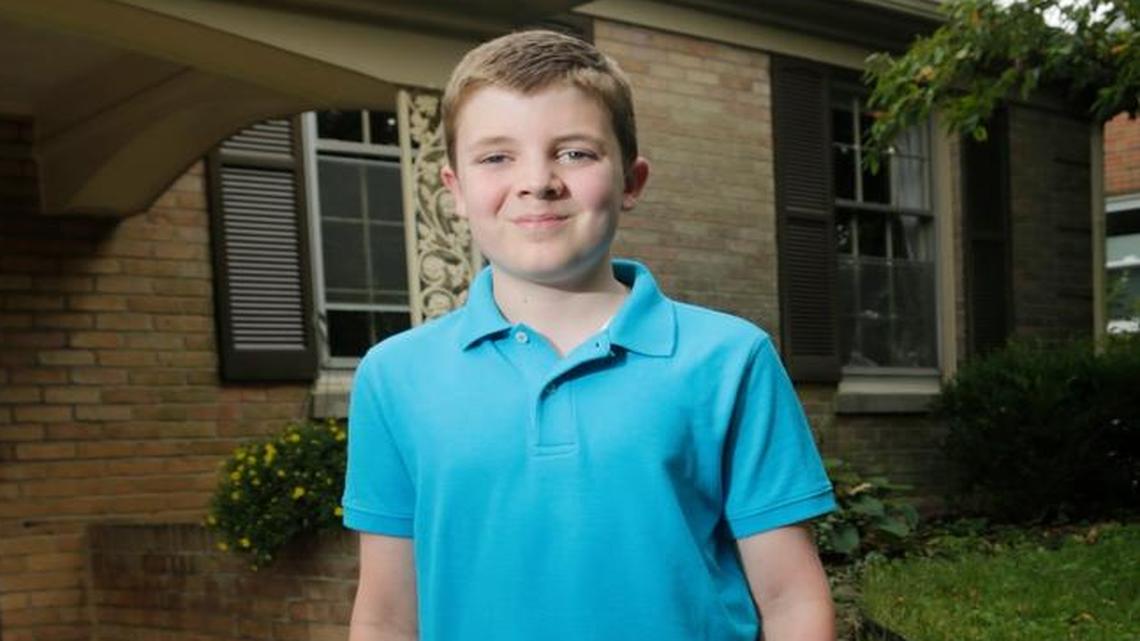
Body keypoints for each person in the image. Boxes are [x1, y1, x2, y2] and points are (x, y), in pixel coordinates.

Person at [343, 29, 836, 641]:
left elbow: (791, 601)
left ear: (631, 181)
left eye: (575, 153)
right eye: (496, 157)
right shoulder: (395, 375)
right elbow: (387, 616)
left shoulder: (730, 360)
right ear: (456, 191)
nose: (538, 181)